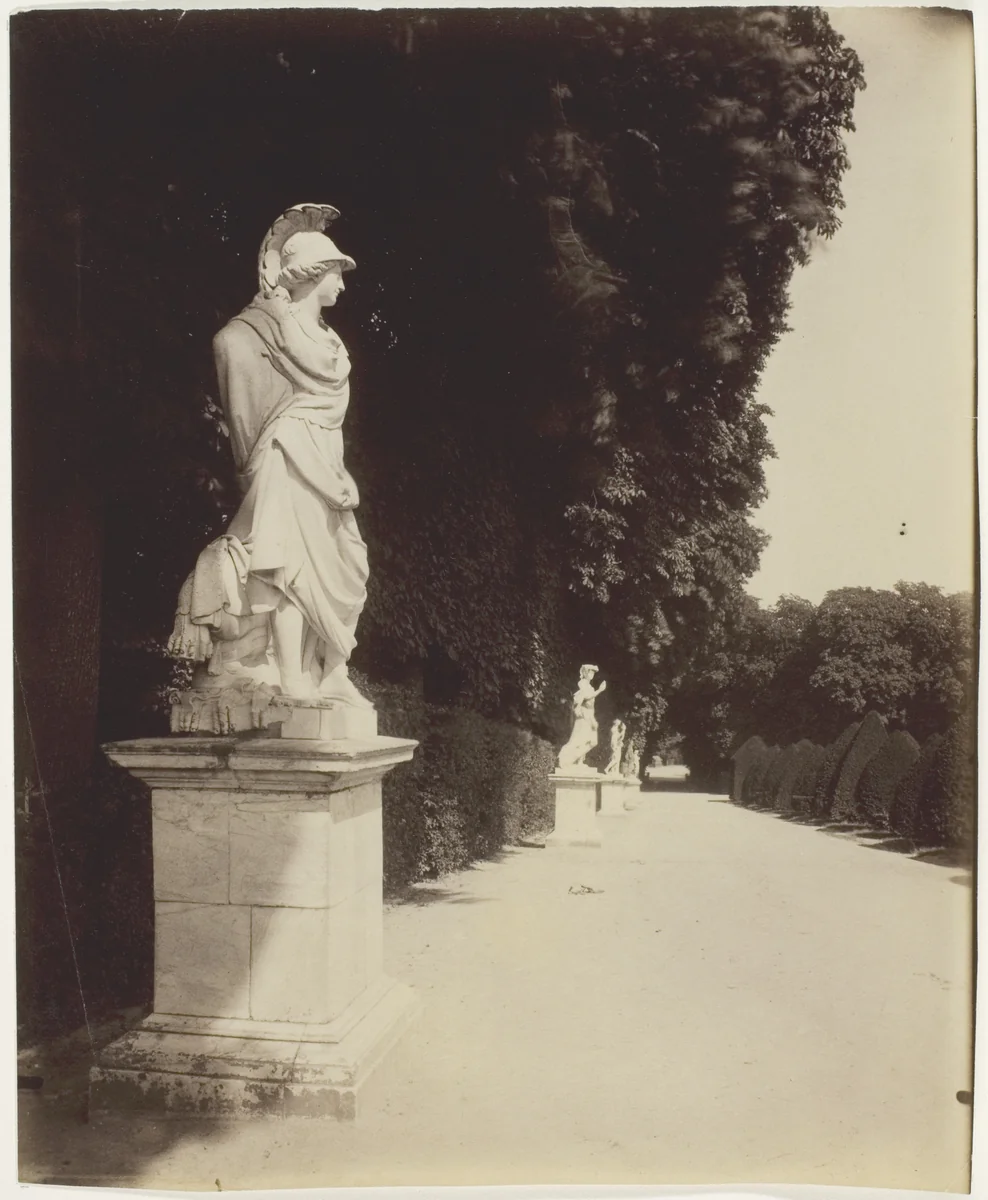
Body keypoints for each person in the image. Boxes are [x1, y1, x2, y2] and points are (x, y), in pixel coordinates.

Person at [168, 204, 370, 706]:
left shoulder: (329, 343)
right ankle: (294, 677)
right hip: (285, 456)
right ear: (309, 274)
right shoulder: (261, 331)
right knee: (289, 566)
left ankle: (330, 668)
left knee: (349, 563)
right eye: (334, 272)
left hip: (326, 466)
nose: (342, 283)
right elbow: (228, 345)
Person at [556, 664, 607, 771]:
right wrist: (600, 690)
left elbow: (589, 702)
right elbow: (586, 696)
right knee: (578, 740)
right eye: (590, 672)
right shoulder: (582, 683)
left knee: (592, 741)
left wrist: (593, 719)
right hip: (583, 715)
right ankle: (564, 757)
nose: (592, 674)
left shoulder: (589, 687)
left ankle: (576, 760)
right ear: (585, 673)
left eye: (593, 673)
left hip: (589, 716)